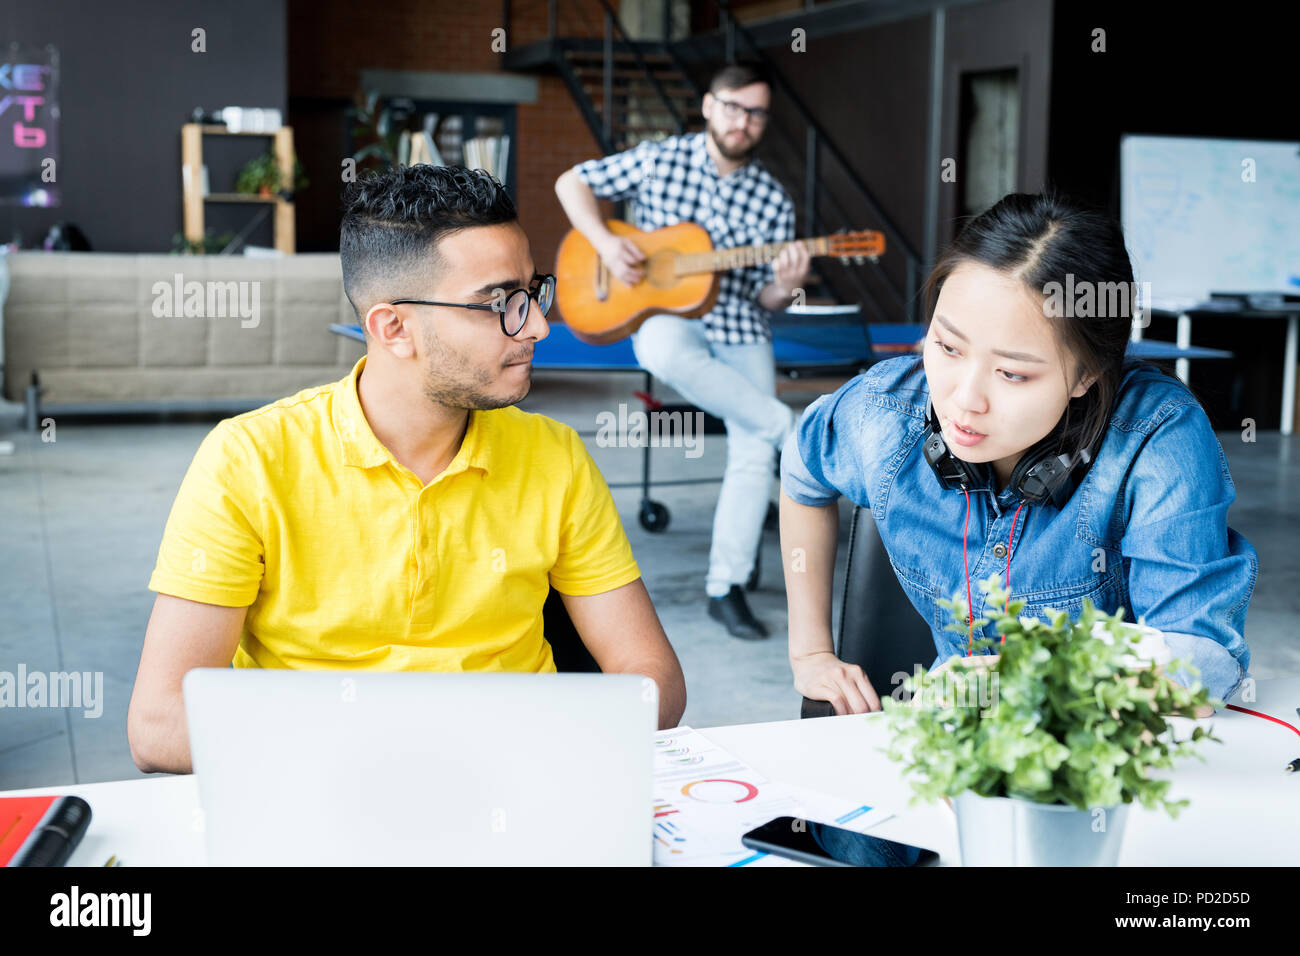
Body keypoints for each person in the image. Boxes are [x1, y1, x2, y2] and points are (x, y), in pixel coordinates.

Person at [129, 165, 686, 773]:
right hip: (319, 789)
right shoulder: (250, 459)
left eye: (533, 291)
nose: (538, 326)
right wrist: (406, 753)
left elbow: (653, 679)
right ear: (393, 327)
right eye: (498, 302)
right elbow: (159, 726)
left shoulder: (556, 456)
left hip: (514, 775)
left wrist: (517, 751)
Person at [780, 190, 1256, 716]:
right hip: (942, 741)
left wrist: (1031, 676)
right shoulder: (887, 409)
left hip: (1096, 753)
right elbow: (802, 473)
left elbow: (1198, 665)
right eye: (947, 347)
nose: (964, 399)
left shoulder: (1157, 437)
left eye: (1012, 373)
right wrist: (810, 651)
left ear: (1087, 376)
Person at [555, 60, 811, 641]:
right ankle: (788, 428)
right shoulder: (660, 158)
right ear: (708, 105)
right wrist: (605, 244)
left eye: (756, 113)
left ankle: (728, 587)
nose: (743, 121)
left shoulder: (773, 201)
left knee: (751, 448)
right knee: (663, 350)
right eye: (733, 107)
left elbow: (769, 298)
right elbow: (571, 182)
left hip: (741, 326)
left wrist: (790, 281)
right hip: (667, 319)